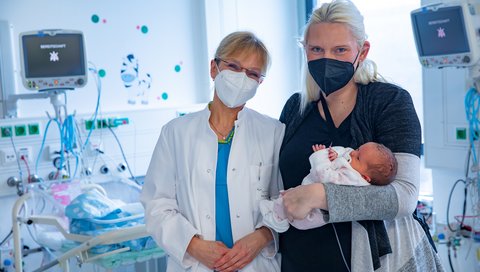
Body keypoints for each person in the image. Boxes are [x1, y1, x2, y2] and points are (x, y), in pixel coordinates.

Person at [278, 0, 445, 271]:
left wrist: (319, 195)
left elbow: (403, 196)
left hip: (373, 262)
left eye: (340, 49)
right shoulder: (295, 109)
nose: (326, 59)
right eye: (316, 49)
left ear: (362, 51)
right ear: (305, 50)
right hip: (299, 260)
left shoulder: (389, 102)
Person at [140, 31, 284, 272]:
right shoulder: (176, 133)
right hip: (196, 264)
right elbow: (156, 204)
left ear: (259, 83)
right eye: (234, 66)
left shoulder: (273, 132)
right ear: (214, 68)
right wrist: (193, 245)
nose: (242, 78)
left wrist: (262, 236)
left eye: (252, 73)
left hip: (255, 263)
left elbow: (285, 201)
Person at [261, 142, 397, 232]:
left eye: (358, 158)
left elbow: (325, 177)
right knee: (289, 197)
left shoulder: (353, 178)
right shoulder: (355, 165)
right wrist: (335, 154)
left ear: (365, 178)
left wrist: (320, 157)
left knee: (285, 206)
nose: (352, 153)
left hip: (313, 215)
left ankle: (276, 219)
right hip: (305, 202)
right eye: (357, 149)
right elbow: (345, 152)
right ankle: (275, 211)